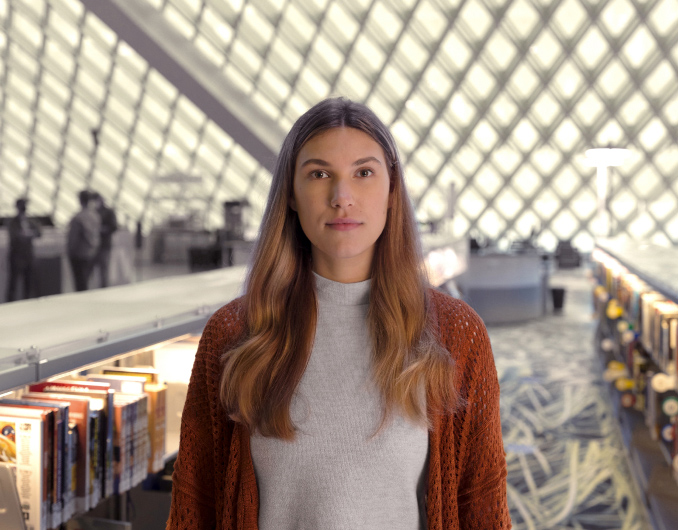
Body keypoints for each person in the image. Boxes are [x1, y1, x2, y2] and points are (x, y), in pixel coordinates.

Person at [166, 98, 510, 530]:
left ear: (391, 192)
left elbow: (481, 508)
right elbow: (197, 507)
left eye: (364, 173)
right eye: (319, 174)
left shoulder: (457, 336)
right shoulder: (234, 335)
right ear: (290, 194)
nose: (341, 197)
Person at [5, 198, 41, 301]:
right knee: (13, 284)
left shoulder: (30, 221)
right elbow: (15, 236)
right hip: (16, 257)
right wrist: (26, 235)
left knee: (28, 284)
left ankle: (27, 302)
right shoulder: (13, 222)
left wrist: (29, 234)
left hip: (28, 256)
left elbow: (38, 232)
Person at [67, 190, 100, 292]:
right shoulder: (95, 216)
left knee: (79, 283)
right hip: (91, 253)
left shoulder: (78, 218)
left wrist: (69, 250)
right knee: (86, 280)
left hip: (78, 254)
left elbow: (73, 238)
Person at [91, 192, 118, 288]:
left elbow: (114, 227)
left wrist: (102, 229)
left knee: (103, 270)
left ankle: (103, 290)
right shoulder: (92, 212)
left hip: (104, 245)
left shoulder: (108, 212)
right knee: (91, 272)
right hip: (92, 246)